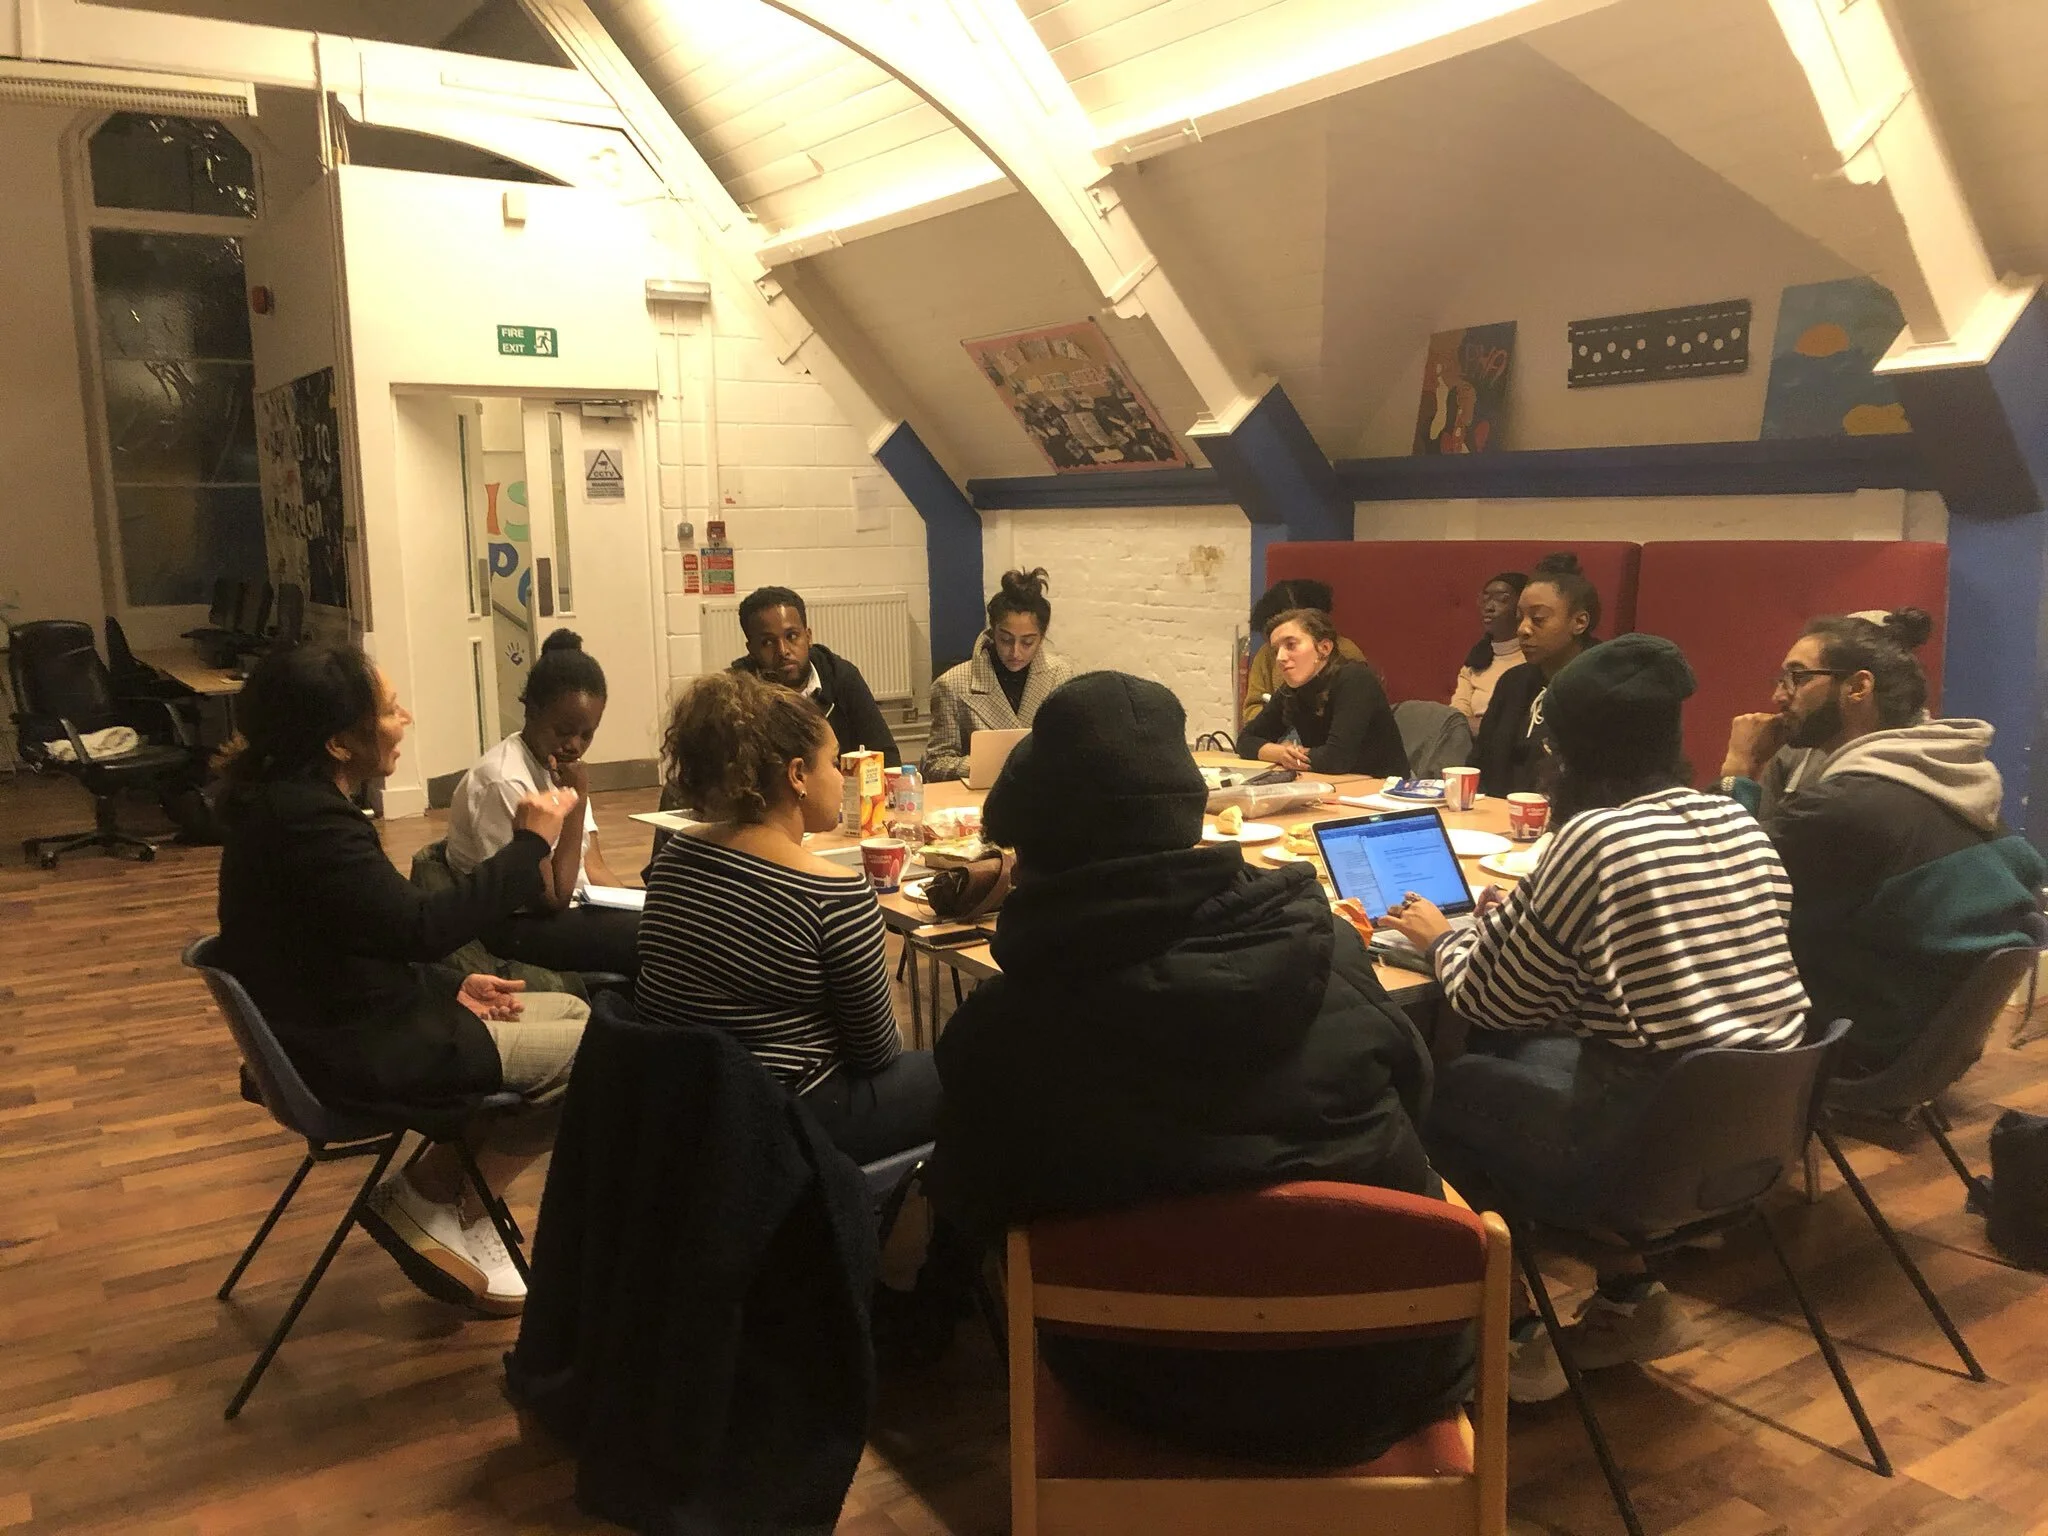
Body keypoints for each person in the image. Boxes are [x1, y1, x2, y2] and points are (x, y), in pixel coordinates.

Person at [926, 671, 1471, 1464]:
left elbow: (974, 1203)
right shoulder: (1332, 951)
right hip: (1384, 1369)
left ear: (1033, 860)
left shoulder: (1005, 1028)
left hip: (1143, 1387)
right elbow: (1414, 1099)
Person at [1380, 635, 1808, 1403]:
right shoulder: (1736, 821)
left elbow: (1488, 1000)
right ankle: (1631, 1303)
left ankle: (1513, 1339)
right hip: (1758, 1135)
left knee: (1437, 1094)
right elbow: (1647, 982)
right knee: (1529, 1056)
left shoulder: (1596, 838)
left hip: (1643, 1151)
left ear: (1568, 751)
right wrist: (1525, 927)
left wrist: (1443, 939)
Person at [214, 644, 588, 1317]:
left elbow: (364, 936)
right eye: (388, 711)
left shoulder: (281, 807)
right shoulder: (309, 824)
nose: (404, 719)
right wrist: (531, 843)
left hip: (338, 1022)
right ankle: (444, 1202)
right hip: (356, 1049)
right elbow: (422, 928)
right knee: (603, 1052)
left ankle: (440, 1199)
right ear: (338, 742)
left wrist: (448, 987)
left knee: (569, 1011)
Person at [1719, 608, 2046, 1073]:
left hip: (1859, 1040)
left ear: (1858, 687)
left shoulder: (1845, 804)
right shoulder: (1955, 775)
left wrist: (1738, 768)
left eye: (1797, 677)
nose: (1778, 695)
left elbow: (1720, 890)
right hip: (1929, 1034)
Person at [637, 669, 939, 1164]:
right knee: (972, 1069)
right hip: (785, 1122)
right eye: (834, 763)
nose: (842, 777)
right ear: (797, 775)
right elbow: (876, 1053)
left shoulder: (675, 856)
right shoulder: (833, 892)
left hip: (685, 1108)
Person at [446, 631, 637, 978]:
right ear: (532, 711)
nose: (574, 745)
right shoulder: (504, 780)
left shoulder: (561, 768)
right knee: (650, 939)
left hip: (573, 903)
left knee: (673, 920)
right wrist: (577, 800)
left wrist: (638, 906)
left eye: (587, 734)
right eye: (564, 731)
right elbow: (552, 898)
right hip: (513, 924)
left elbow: (593, 865)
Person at [922, 568, 1075, 781]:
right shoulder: (952, 685)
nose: (1015, 652)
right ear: (993, 631)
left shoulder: (1060, 676)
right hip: (982, 796)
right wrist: (989, 765)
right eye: (1006, 640)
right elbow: (935, 764)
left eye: (1027, 642)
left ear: (1041, 638)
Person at [1471, 551, 1600, 796]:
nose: (1523, 629)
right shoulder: (1513, 682)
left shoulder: (1605, 685)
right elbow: (1479, 766)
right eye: (1520, 618)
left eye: (1538, 619)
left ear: (1579, 622)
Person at [731, 585, 900, 765]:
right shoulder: (738, 696)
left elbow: (886, 756)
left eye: (792, 636)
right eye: (767, 642)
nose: (783, 650)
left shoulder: (840, 676)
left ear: (808, 637)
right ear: (751, 650)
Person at [1235, 608, 1407, 777]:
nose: (1280, 657)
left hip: (1384, 788)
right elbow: (1245, 740)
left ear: (1324, 647)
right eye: (1275, 650)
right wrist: (1280, 753)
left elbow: (1336, 759)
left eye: (1291, 645)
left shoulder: (1355, 679)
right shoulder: (1291, 690)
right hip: (1334, 784)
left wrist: (1291, 756)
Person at [1242, 579, 1369, 715]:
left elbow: (1359, 710)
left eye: (1292, 644)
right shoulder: (1266, 655)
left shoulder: (1348, 654)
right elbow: (1252, 709)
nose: (1281, 657)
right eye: (1277, 648)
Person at [1450, 571, 1529, 730]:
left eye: (1502, 599)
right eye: (1485, 599)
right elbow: (1455, 718)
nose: (1489, 607)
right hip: (1470, 740)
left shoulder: (1534, 657)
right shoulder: (1475, 661)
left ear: (1521, 607)